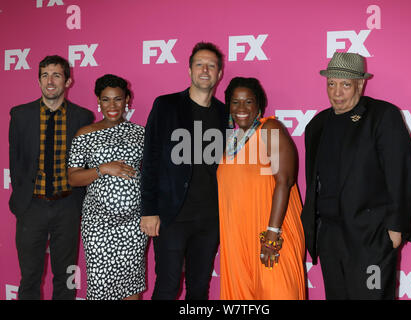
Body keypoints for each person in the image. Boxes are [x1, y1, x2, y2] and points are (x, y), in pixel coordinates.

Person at [302, 52, 411, 299]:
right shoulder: (316, 125)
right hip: (330, 237)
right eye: (331, 83)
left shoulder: (382, 116)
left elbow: (401, 173)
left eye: (345, 84)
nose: (337, 92)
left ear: (361, 84)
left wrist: (396, 227)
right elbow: (314, 181)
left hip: (371, 237)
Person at [140, 42, 228, 300]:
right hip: (171, 216)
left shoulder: (225, 114)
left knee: (199, 288)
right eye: (199, 64)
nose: (205, 70)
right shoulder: (166, 106)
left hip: (210, 218)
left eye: (211, 65)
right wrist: (149, 211)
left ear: (219, 74)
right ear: (189, 70)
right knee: (167, 286)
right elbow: (151, 159)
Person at [8, 55, 94, 300]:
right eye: (45, 75)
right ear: (38, 81)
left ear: (68, 81)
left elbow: (85, 165)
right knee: (30, 277)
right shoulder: (21, 115)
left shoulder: (82, 118)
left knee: (65, 277)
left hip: (67, 207)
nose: (50, 80)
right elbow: (16, 162)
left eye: (56, 75)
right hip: (31, 207)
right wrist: (22, 200)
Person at [218, 77, 306, 300]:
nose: (241, 108)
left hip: (271, 231)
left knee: (279, 291)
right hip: (238, 237)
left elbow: (284, 181)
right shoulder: (231, 140)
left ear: (259, 104)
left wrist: (272, 235)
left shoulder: (270, 128)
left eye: (248, 102)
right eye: (235, 102)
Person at [67, 74, 147, 300]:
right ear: (98, 102)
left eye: (118, 99)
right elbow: (73, 178)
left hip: (133, 225)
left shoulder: (141, 133)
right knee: (101, 288)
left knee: (132, 286)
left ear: (127, 100)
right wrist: (103, 169)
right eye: (106, 100)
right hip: (98, 225)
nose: (112, 105)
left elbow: (151, 174)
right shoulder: (85, 134)